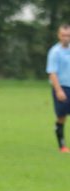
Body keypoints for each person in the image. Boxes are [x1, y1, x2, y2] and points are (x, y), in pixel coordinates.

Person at [46, 24, 70, 153]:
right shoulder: (55, 52)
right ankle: (62, 146)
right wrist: (58, 90)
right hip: (62, 88)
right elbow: (52, 72)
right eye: (63, 35)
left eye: (68, 35)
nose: (66, 38)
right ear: (59, 35)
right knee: (62, 117)